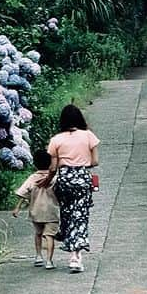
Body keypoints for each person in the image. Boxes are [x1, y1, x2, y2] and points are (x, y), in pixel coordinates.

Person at [44, 105, 100, 274]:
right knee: (80, 216)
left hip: (65, 179)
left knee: (67, 214)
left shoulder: (56, 140)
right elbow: (95, 161)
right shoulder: (89, 136)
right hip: (82, 178)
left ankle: (68, 240)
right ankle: (76, 256)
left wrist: (46, 180)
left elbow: (53, 168)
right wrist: (81, 163)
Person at [13, 148, 61, 269]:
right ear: (50, 162)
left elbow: (23, 193)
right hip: (51, 211)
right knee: (50, 236)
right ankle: (49, 261)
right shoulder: (55, 178)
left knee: (38, 234)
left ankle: (38, 256)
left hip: (36, 211)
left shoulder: (32, 178)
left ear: (35, 163)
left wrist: (17, 208)